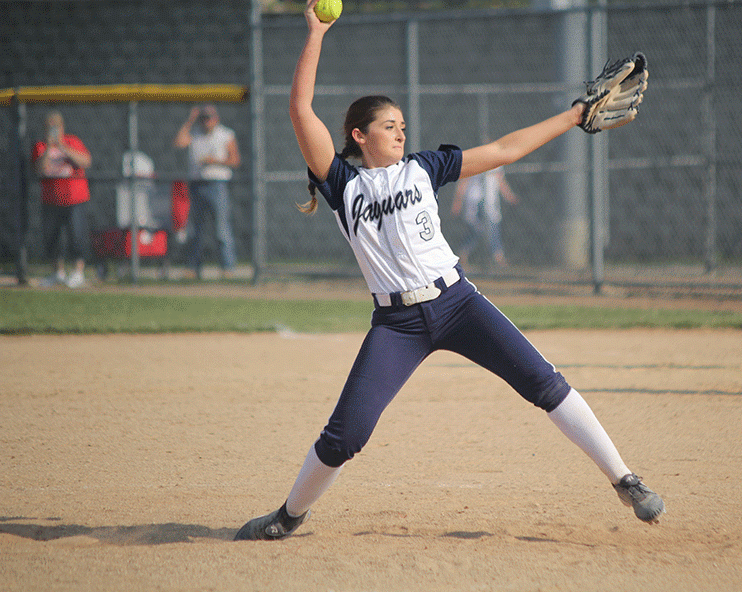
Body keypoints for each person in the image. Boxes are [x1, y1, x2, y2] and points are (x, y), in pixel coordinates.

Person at [234, 1, 663, 541]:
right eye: (388, 126)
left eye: (403, 126)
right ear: (359, 135)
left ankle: (625, 479)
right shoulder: (344, 186)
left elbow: (505, 149)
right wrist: (316, 34)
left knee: (543, 381)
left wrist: (576, 114)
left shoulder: (424, 167)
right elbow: (300, 110)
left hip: (459, 303)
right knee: (347, 435)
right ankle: (288, 515)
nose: (399, 133)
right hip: (397, 325)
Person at [173, 104, 240, 279]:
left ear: (216, 119)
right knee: (195, 229)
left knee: (221, 229)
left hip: (217, 184)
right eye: (203, 118)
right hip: (196, 185)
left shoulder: (225, 134)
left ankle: (228, 267)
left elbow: (235, 160)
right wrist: (190, 120)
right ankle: (193, 268)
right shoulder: (194, 133)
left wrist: (214, 161)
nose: (206, 122)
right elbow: (179, 142)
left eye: (209, 118)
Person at [31, 110, 92, 288]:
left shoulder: (73, 141)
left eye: (56, 126)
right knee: (52, 238)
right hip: (51, 200)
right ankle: (57, 272)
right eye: (50, 127)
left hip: (75, 198)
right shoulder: (41, 146)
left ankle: (78, 272)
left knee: (77, 236)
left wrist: (62, 146)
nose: (53, 130)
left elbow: (86, 161)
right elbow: (39, 169)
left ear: (62, 127)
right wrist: (51, 147)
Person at [451, 162, 519, 267]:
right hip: (474, 201)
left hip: (490, 202)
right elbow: (464, 181)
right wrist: (458, 201)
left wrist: (510, 197)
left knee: (493, 228)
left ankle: (498, 258)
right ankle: (463, 255)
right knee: (476, 229)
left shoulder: (497, 161)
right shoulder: (476, 158)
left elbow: (501, 182)